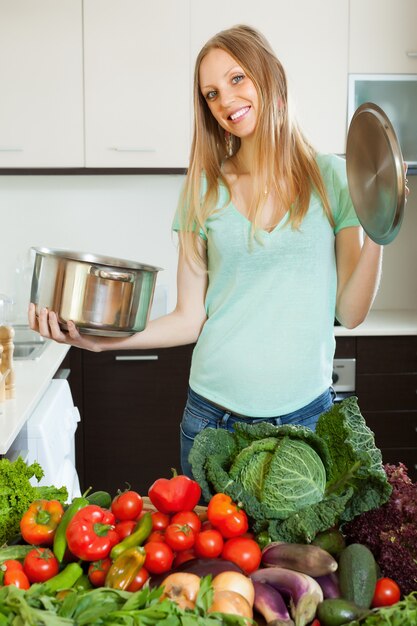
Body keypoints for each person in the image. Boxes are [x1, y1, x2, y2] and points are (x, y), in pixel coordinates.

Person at [28, 25, 407, 479]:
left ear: (269, 77)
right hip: (213, 420)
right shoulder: (203, 188)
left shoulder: (334, 179)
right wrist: (99, 340)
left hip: (307, 420)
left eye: (236, 79)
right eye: (210, 94)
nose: (225, 101)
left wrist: (381, 225)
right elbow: (190, 317)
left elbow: (350, 312)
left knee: (304, 553)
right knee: (213, 554)